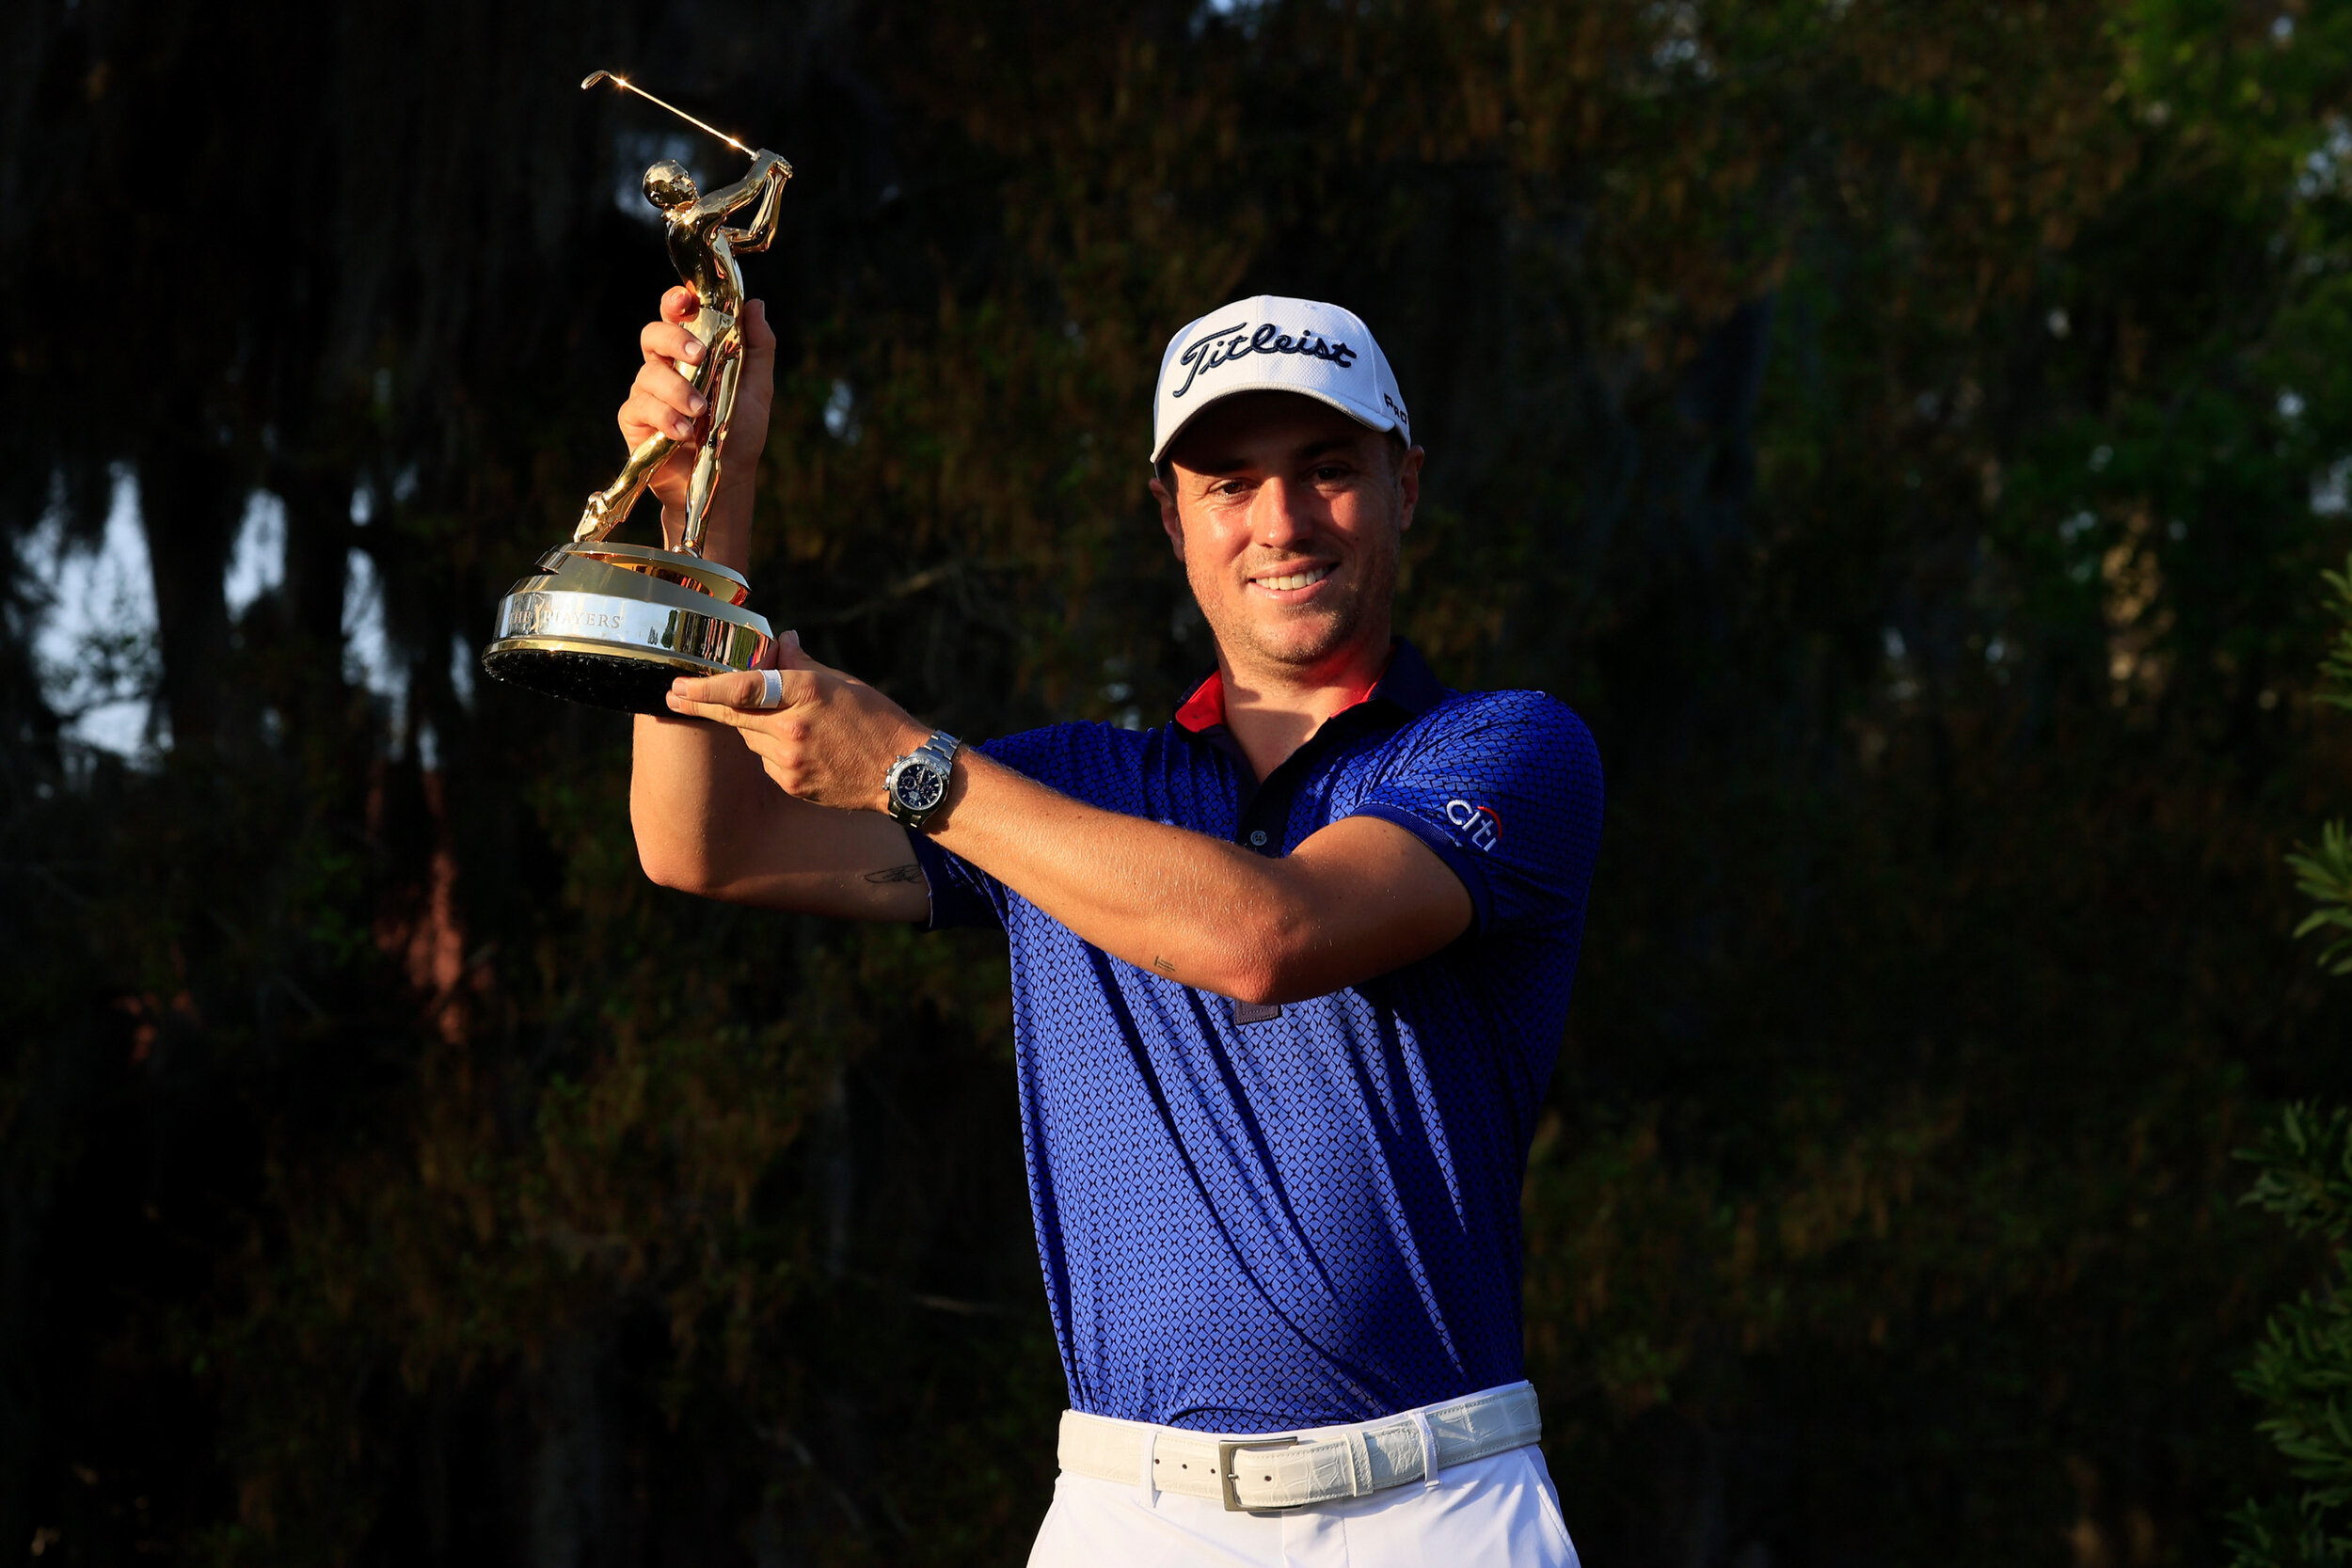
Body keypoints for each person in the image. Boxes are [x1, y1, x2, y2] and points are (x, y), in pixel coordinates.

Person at [624, 289, 1603, 1565]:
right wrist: (706, 511)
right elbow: (705, 843)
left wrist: (922, 767)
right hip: (1127, 1512)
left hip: (1435, 1504)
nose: (1281, 522)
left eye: (1327, 471)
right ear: (1169, 514)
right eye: (1228, 483)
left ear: (1404, 483)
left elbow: (1270, 935)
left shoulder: (1509, 747)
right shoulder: (1070, 786)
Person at [574, 149, 790, 554]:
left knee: (715, 441)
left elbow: (760, 237)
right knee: (673, 435)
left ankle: (692, 540)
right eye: (674, 182)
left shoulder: (712, 232)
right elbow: (740, 192)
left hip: (731, 336)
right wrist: (764, 165)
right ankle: (609, 505)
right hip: (706, 328)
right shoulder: (688, 225)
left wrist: (776, 183)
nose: (685, 181)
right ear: (664, 199)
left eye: (683, 175)